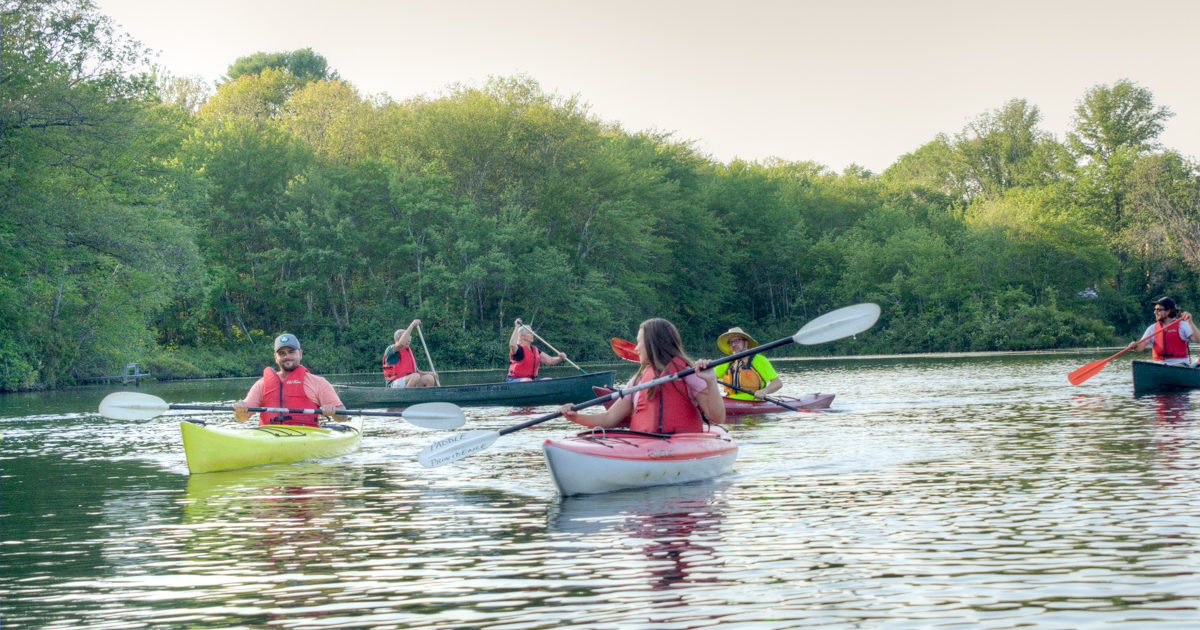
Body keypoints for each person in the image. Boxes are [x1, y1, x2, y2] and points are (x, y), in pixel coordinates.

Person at [559, 318, 725, 432]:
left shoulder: (689, 375)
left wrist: (711, 382)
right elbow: (609, 418)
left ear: (654, 344)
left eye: (639, 342)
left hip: (682, 444)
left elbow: (718, 418)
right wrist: (576, 417)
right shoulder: (637, 381)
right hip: (645, 443)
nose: (636, 348)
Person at [233, 333, 346, 426]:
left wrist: (333, 411)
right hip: (269, 435)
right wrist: (240, 410)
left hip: (308, 435)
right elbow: (242, 418)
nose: (287, 357)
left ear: (300, 354)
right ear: (275, 357)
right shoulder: (262, 384)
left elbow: (343, 417)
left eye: (291, 352)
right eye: (282, 353)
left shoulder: (318, 383)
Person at [712, 327, 782, 400]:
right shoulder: (727, 362)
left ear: (746, 343)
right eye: (731, 342)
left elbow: (777, 383)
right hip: (730, 400)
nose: (733, 345)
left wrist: (764, 391)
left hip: (753, 401)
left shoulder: (759, 360)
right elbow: (709, 378)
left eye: (736, 341)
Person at [1128, 297, 1200, 365]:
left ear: (1168, 311)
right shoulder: (1152, 328)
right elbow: (1140, 347)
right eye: (1155, 309)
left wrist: (1190, 322)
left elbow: (1198, 340)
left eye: (1158, 310)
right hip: (1160, 366)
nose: (1155, 312)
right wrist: (1134, 346)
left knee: (1176, 367)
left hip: (1180, 365)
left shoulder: (1182, 325)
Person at [383, 319, 438, 388]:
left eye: (410, 337)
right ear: (398, 338)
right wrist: (412, 325)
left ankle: (425, 398)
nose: (409, 339)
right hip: (393, 384)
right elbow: (401, 344)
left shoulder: (407, 352)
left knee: (429, 378)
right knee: (415, 376)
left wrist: (430, 373)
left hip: (409, 380)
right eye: (406, 337)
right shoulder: (390, 349)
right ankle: (407, 397)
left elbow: (417, 371)